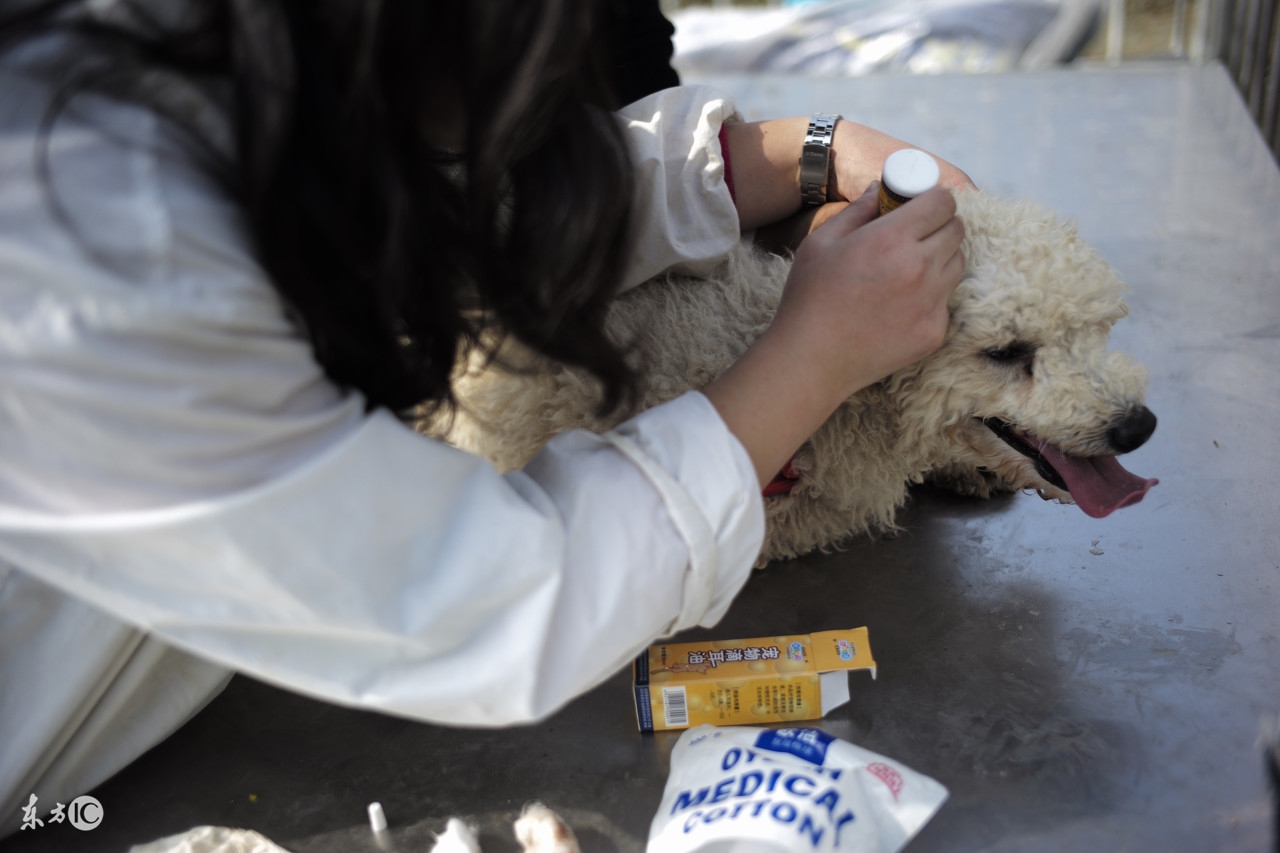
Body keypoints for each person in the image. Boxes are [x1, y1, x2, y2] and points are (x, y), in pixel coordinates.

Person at [0, 0, 970, 833]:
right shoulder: (82, 246)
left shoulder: (208, 68)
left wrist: (803, 151)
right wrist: (810, 358)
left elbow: (430, 209)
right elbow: (485, 598)